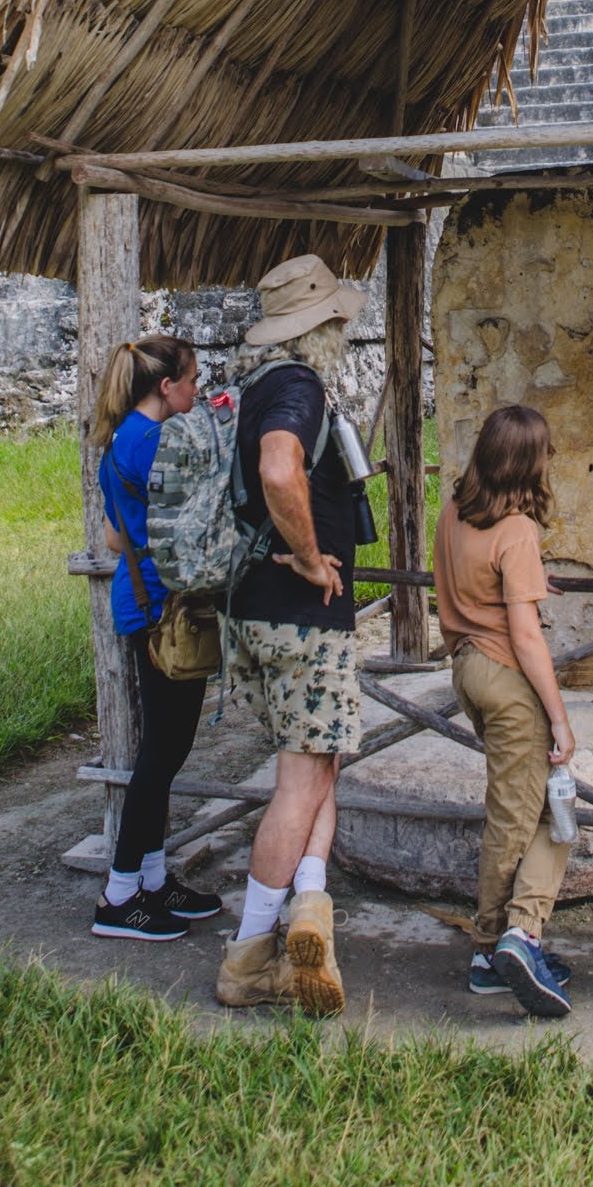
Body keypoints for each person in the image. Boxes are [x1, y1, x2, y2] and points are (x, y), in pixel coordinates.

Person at [215, 254, 369, 1017]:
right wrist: (311, 559)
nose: (345, 326)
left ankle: (310, 913)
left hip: (264, 611)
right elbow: (281, 473)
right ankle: (247, 956)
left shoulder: (258, 388)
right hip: (300, 615)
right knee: (299, 783)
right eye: (338, 318)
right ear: (320, 327)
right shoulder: (297, 388)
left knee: (320, 764)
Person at [433, 406, 578, 1019]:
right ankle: (504, 942)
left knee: (533, 808)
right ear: (529, 462)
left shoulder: (453, 511)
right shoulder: (517, 529)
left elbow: (481, 588)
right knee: (527, 816)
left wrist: (531, 585)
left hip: (467, 665)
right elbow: (524, 637)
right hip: (508, 678)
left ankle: (508, 940)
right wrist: (560, 715)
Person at [90, 332, 225, 941]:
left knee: (166, 752)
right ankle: (119, 895)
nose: (198, 389)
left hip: (142, 598)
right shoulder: (158, 442)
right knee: (160, 754)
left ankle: (150, 875)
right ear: (165, 387)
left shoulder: (120, 442)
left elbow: (117, 538)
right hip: (162, 609)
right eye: (193, 380)